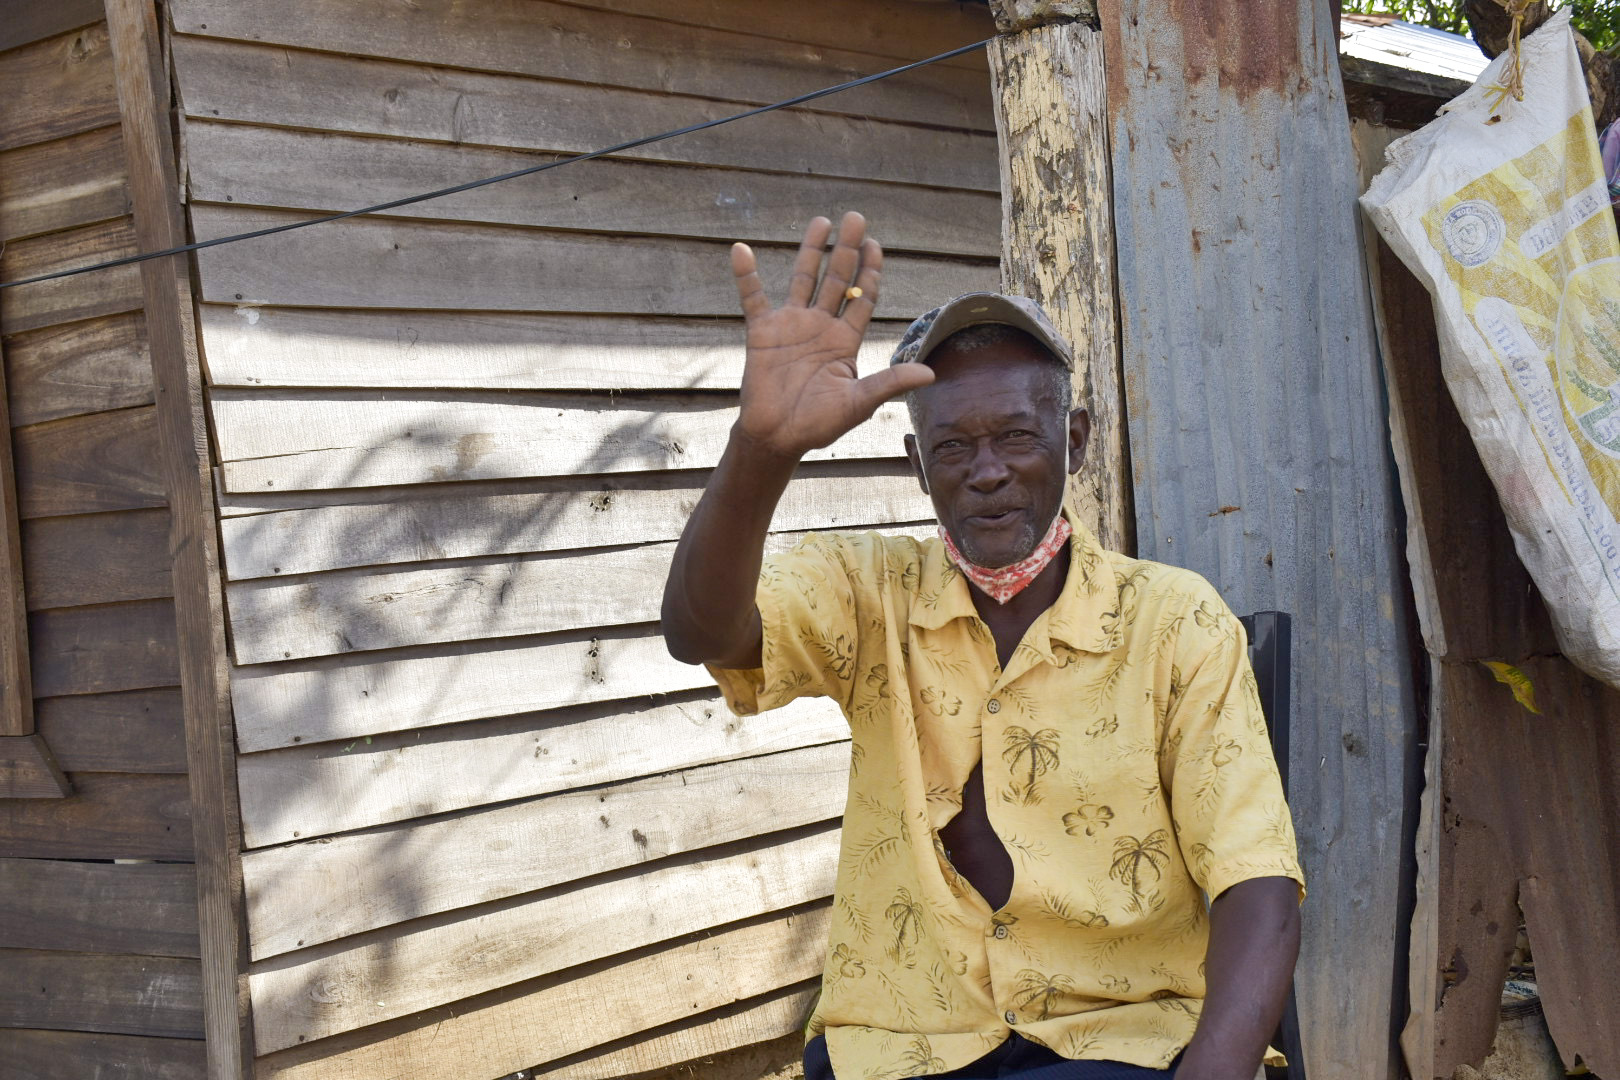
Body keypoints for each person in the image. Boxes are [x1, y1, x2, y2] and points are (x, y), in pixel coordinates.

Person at [661, 212, 1305, 1080]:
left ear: (1074, 441)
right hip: (902, 1043)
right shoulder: (866, 592)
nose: (988, 469)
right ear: (917, 466)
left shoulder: (1175, 624)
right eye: (954, 446)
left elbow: (1257, 881)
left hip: (1122, 1039)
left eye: (1017, 436)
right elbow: (701, 632)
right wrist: (761, 451)